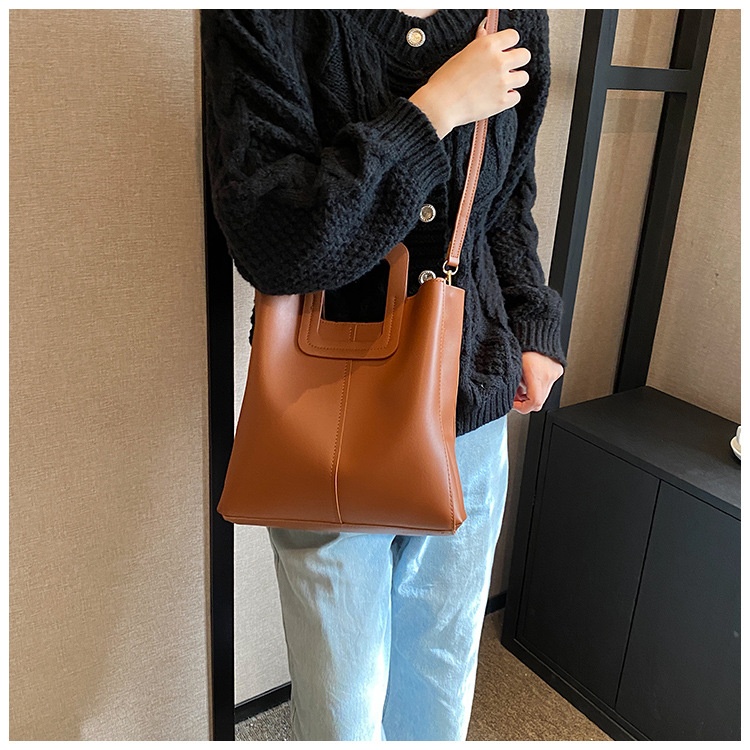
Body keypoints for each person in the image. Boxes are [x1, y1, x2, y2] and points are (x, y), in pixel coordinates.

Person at [200, 9, 567, 741]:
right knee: (339, 706)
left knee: (440, 677)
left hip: (472, 403)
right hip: (322, 418)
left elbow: (506, 204)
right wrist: (433, 112)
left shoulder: (514, 16)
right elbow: (275, 243)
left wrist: (533, 321)